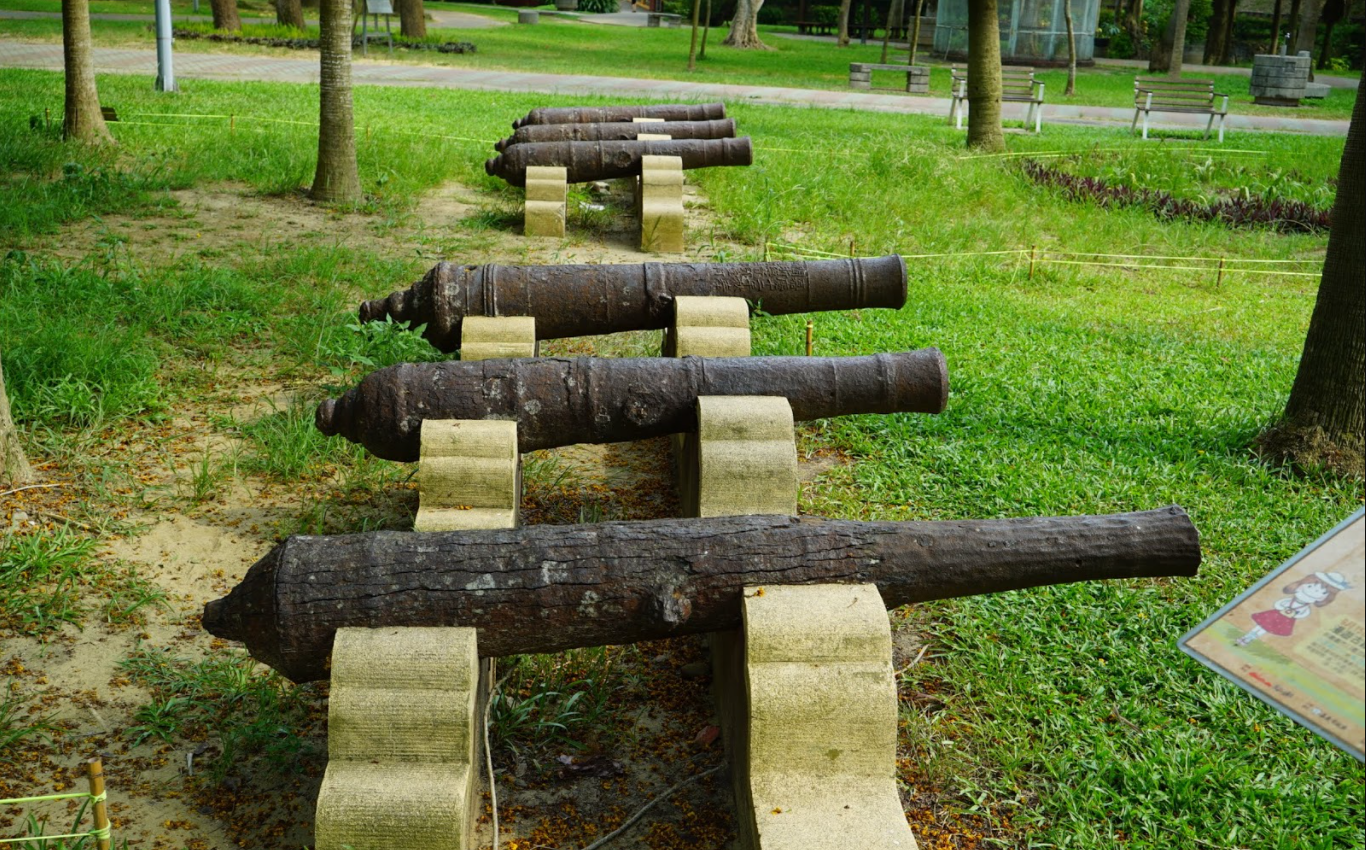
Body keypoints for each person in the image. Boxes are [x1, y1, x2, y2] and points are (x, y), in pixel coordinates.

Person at [1234, 571, 1350, 646]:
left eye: (1321, 591)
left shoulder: (1305, 607)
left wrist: (1295, 613)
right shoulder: (1293, 598)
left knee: (1264, 629)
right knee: (1260, 625)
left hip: (1285, 620)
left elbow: (1304, 613)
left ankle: (1249, 639)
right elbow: (1281, 603)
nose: (1313, 590)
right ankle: (1246, 636)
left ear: (1323, 596)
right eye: (1311, 586)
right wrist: (1281, 607)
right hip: (1276, 614)